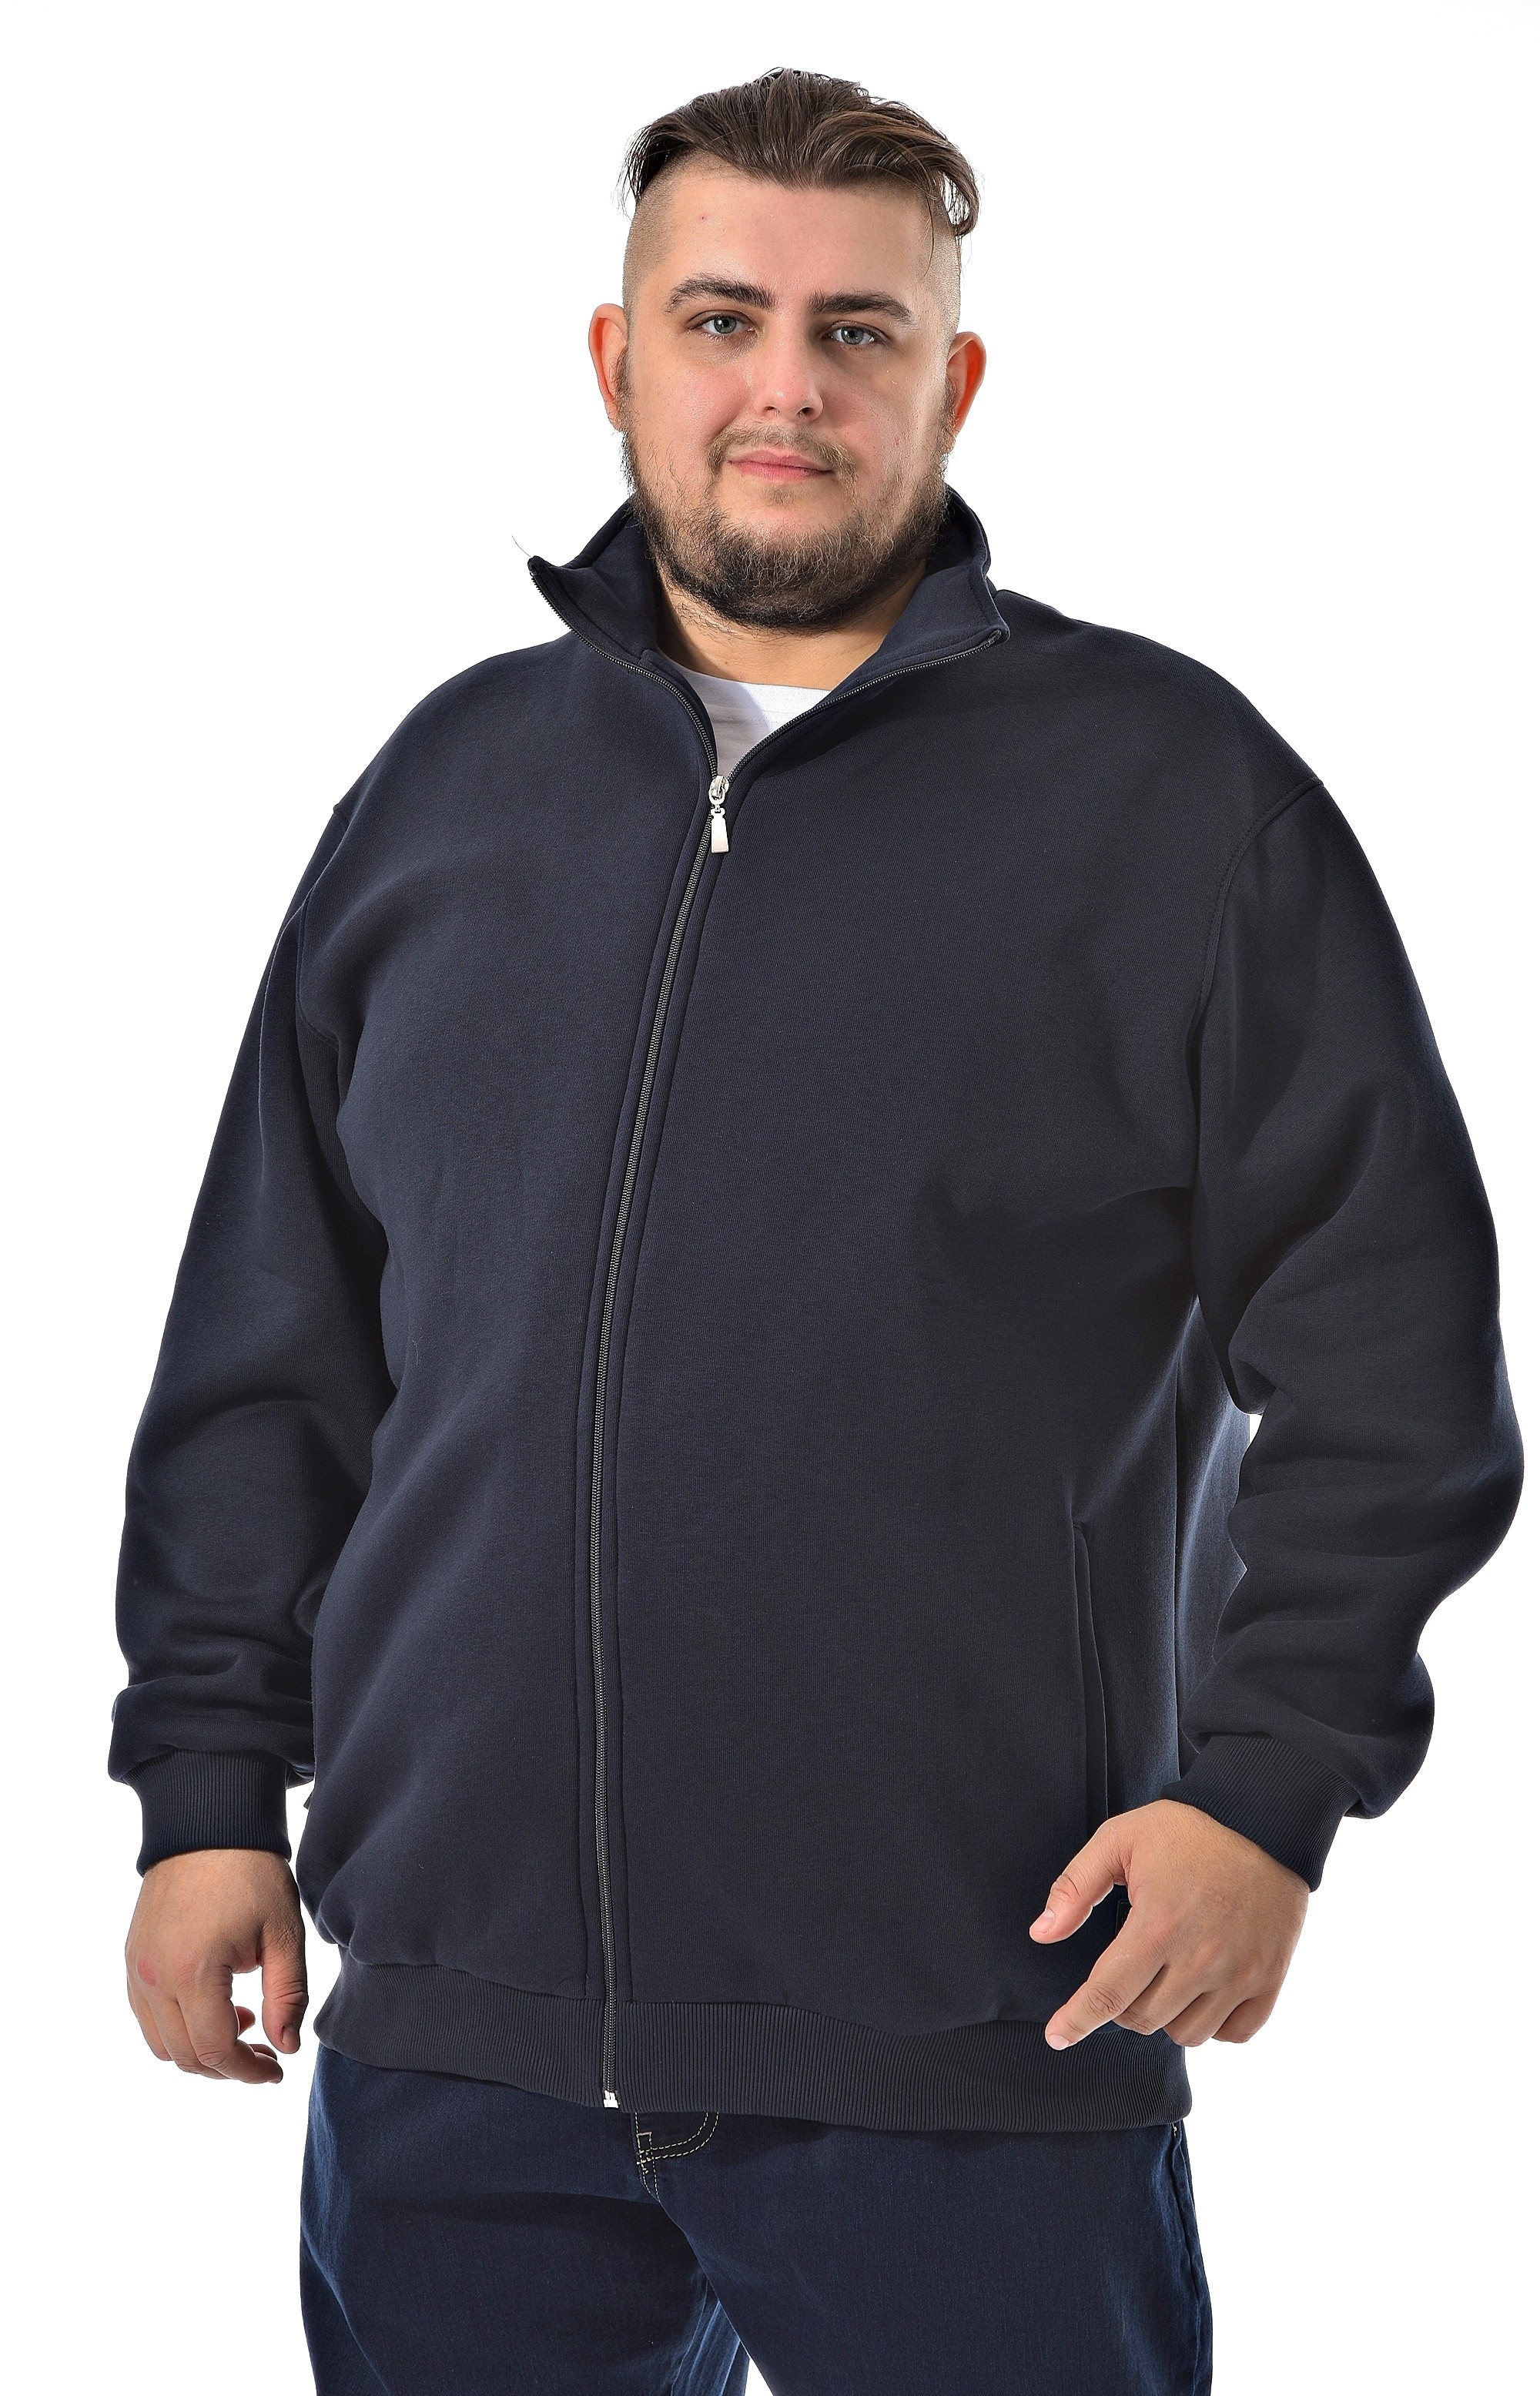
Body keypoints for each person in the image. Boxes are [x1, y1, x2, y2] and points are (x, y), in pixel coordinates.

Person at [111, 67, 1522, 2396]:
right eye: (722, 319)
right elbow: (276, 1350)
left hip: (975, 2032)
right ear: (618, 358)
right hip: (455, 2050)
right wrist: (203, 1793)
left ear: (953, 381)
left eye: (858, 332)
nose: (786, 386)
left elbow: (1395, 1360)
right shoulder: (448, 788)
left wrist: (1266, 1791)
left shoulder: (1175, 798)